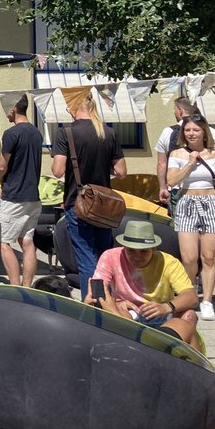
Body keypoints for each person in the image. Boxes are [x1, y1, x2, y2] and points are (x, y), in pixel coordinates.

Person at [51, 91, 126, 302]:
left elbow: (58, 171)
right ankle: (107, 302)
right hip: (104, 205)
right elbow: (121, 171)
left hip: (78, 203)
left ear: (73, 107)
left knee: (86, 259)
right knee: (104, 256)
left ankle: (92, 303)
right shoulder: (108, 132)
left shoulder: (65, 133)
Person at [87, 219, 202, 350]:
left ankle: (185, 357)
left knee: (189, 315)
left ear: (153, 249)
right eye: (131, 250)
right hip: (128, 311)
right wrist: (116, 304)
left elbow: (191, 297)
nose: (137, 257)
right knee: (112, 313)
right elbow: (96, 293)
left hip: (161, 312)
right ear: (124, 247)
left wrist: (166, 307)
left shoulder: (169, 262)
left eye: (144, 251)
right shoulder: (110, 256)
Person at [166, 114, 215, 321]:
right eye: (187, 130)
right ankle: (190, 293)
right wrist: (189, 164)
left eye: (196, 129)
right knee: (189, 257)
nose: (191, 133)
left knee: (209, 256)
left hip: (211, 202)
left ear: (204, 132)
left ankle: (207, 301)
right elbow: (171, 180)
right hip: (187, 202)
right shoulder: (177, 154)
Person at [0, 95, 44, 287]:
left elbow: (2, 166)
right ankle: (27, 287)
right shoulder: (36, 133)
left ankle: (15, 287)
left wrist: (2, 183)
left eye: (6, 109)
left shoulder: (11, 134)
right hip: (33, 196)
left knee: (2, 243)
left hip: (14, 197)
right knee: (27, 242)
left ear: (14, 109)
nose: (5, 113)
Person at [155, 98, 215, 206]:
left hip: (177, 188)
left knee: (180, 216)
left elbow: (161, 164)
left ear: (180, 110)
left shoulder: (167, 132)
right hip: (208, 189)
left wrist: (163, 187)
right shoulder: (211, 131)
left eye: (174, 109)